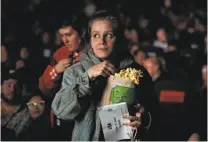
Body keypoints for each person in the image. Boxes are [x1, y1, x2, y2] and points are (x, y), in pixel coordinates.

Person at [52, 10, 156, 141]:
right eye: (96, 35)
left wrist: (144, 120)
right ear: (89, 40)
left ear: (119, 39)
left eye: (108, 35)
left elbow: (155, 114)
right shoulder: (75, 72)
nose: (101, 41)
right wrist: (87, 77)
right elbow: (61, 112)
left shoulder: (137, 72)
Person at [38, 15, 86, 140]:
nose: (65, 40)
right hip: (62, 120)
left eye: (69, 35)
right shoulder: (61, 53)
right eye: (62, 35)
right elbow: (43, 88)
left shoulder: (95, 52)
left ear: (82, 33)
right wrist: (56, 71)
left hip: (85, 119)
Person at [1, 69, 32, 140]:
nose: (12, 89)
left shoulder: (25, 114)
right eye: (9, 85)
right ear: (1, 87)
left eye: (16, 86)